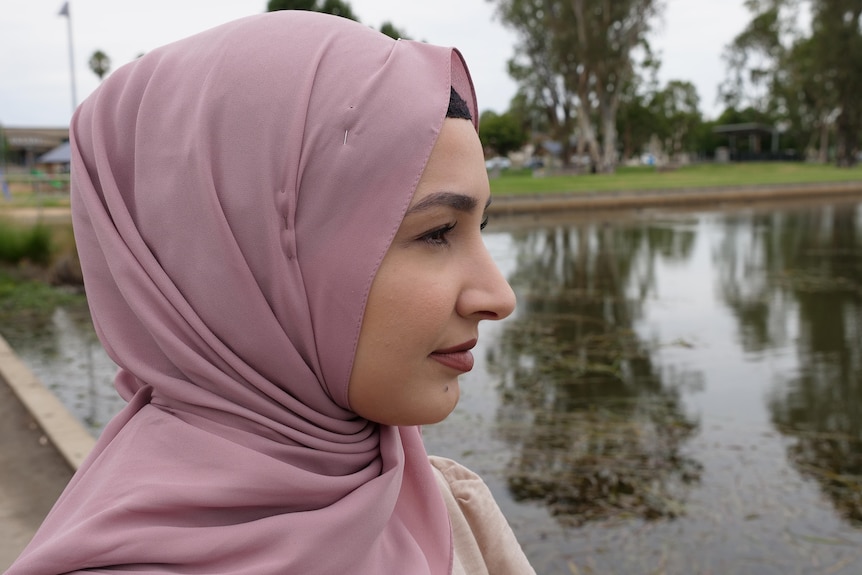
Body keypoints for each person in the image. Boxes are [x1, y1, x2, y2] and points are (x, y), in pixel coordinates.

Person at [7, 10, 534, 575]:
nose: (498, 295)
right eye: (435, 233)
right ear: (243, 259)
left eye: (479, 229)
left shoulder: (453, 514)